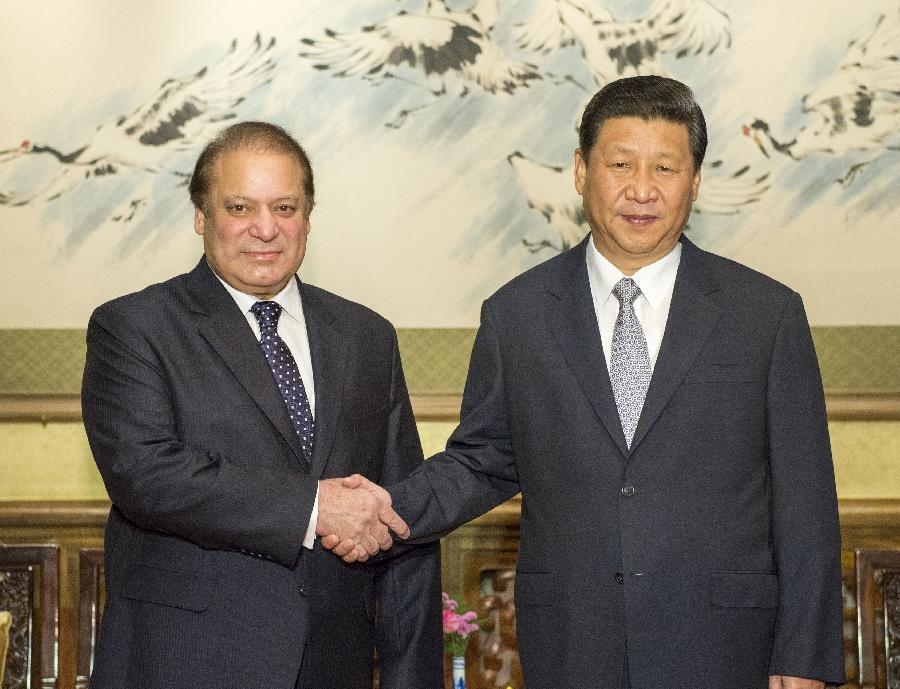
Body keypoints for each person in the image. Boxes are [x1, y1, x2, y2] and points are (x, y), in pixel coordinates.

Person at [328, 76, 846, 688]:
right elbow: (483, 460)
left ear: (696, 180)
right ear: (580, 170)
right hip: (574, 642)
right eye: (620, 164)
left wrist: (804, 657)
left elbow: (805, 500)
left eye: (665, 168)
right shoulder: (517, 314)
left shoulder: (765, 314)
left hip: (727, 645)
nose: (642, 190)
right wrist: (380, 509)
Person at [81, 121, 442, 689]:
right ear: (201, 217)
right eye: (240, 207)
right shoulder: (134, 327)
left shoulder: (367, 336)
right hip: (185, 665)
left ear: (308, 218)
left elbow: (402, 517)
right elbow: (145, 476)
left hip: (333, 666)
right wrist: (315, 509)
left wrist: (412, 677)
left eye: (285, 207)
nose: (265, 229)